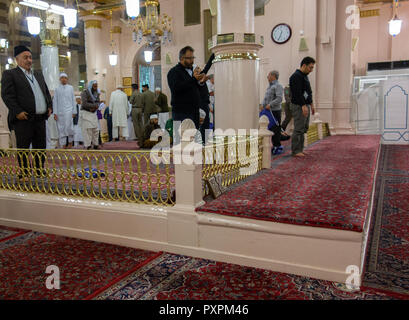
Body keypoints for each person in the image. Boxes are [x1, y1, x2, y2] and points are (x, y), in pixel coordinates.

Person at [1, 45, 52, 176]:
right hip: (23, 119)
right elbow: (7, 95)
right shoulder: (10, 74)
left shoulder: (38, 74)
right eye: (25, 57)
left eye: (30, 57)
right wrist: (18, 112)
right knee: (23, 147)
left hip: (40, 118)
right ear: (17, 60)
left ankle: (39, 169)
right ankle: (24, 172)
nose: (29, 60)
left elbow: (46, 93)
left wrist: (49, 107)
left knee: (40, 147)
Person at [167, 46, 206, 130]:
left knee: (193, 140)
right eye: (189, 58)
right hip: (181, 112)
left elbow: (194, 89)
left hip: (194, 111)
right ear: (181, 58)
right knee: (182, 140)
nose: (192, 60)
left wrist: (201, 82)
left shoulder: (192, 71)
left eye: (193, 57)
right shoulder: (174, 72)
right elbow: (176, 88)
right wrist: (194, 79)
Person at [289, 57, 316, 157]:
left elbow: (308, 92)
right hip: (298, 105)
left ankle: (300, 149)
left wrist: (311, 104)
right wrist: (303, 105)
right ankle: (296, 150)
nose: (311, 70)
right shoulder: (295, 76)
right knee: (299, 128)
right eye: (310, 67)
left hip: (305, 105)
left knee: (304, 128)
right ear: (304, 65)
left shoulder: (305, 76)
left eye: (312, 68)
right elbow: (297, 93)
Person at [262, 71, 284, 155]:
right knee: (269, 128)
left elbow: (279, 99)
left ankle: (277, 146)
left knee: (276, 129)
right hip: (268, 111)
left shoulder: (278, 86)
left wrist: (270, 105)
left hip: (274, 111)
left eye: (268, 75)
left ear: (273, 76)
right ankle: (272, 145)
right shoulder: (270, 87)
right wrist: (262, 105)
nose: (267, 77)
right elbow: (267, 98)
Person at [53, 72, 76, 149]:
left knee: (69, 127)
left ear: (67, 79)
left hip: (69, 111)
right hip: (60, 112)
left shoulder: (70, 88)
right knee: (61, 128)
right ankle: (63, 144)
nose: (64, 79)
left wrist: (74, 111)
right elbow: (55, 101)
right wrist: (55, 113)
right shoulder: (57, 89)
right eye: (62, 78)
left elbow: (73, 100)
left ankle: (70, 142)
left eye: (65, 78)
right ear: (60, 79)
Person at [80, 80, 101, 150]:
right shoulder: (85, 92)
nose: (95, 87)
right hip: (86, 112)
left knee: (96, 130)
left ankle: (95, 144)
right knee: (88, 130)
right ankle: (88, 145)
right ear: (91, 85)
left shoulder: (97, 92)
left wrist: (95, 107)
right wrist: (93, 106)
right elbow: (84, 103)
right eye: (94, 86)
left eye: (96, 86)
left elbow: (98, 101)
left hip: (93, 113)